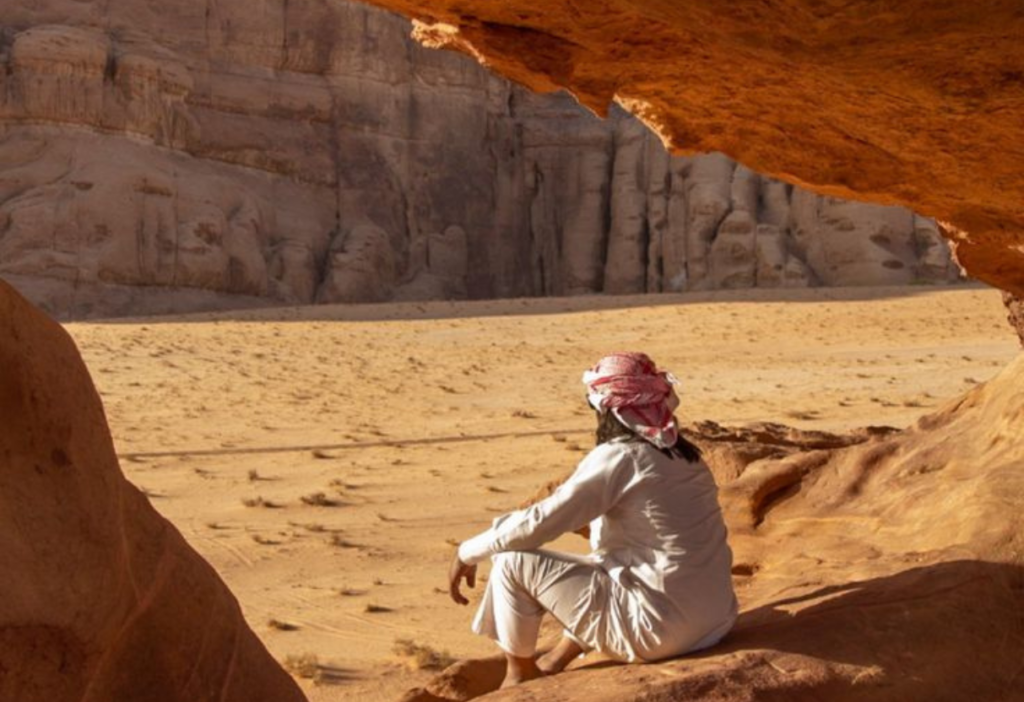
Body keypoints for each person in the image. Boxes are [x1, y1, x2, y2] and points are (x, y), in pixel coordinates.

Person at [448, 352, 738, 688]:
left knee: (511, 561)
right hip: (714, 622)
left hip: (659, 632)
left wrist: (466, 552)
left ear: (607, 408)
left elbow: (539, 523)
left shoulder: (621, 457)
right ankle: (557, 658)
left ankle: (519, 675)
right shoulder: (685, 456)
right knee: (606, 561)